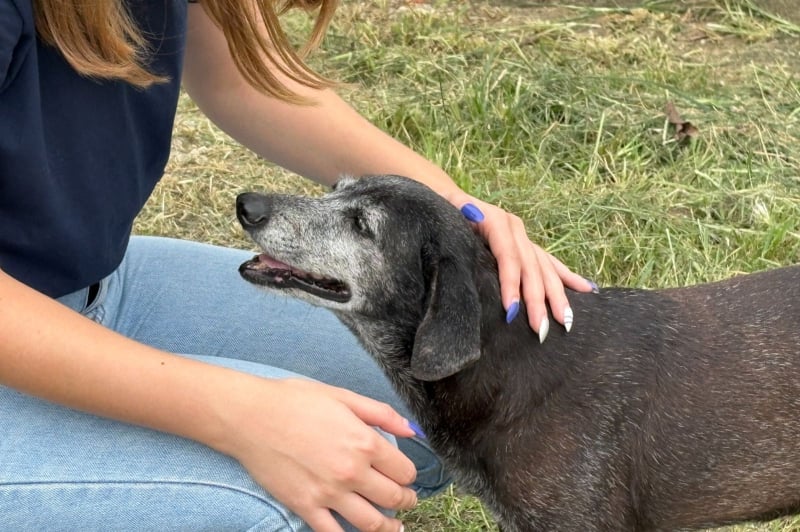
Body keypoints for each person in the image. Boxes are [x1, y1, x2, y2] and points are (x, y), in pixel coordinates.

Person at [0, 1, 595, 530]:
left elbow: (242, 75)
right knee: (277, 504)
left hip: (97, 287)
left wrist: (455, 212)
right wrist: (235, 412)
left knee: (444, 394)